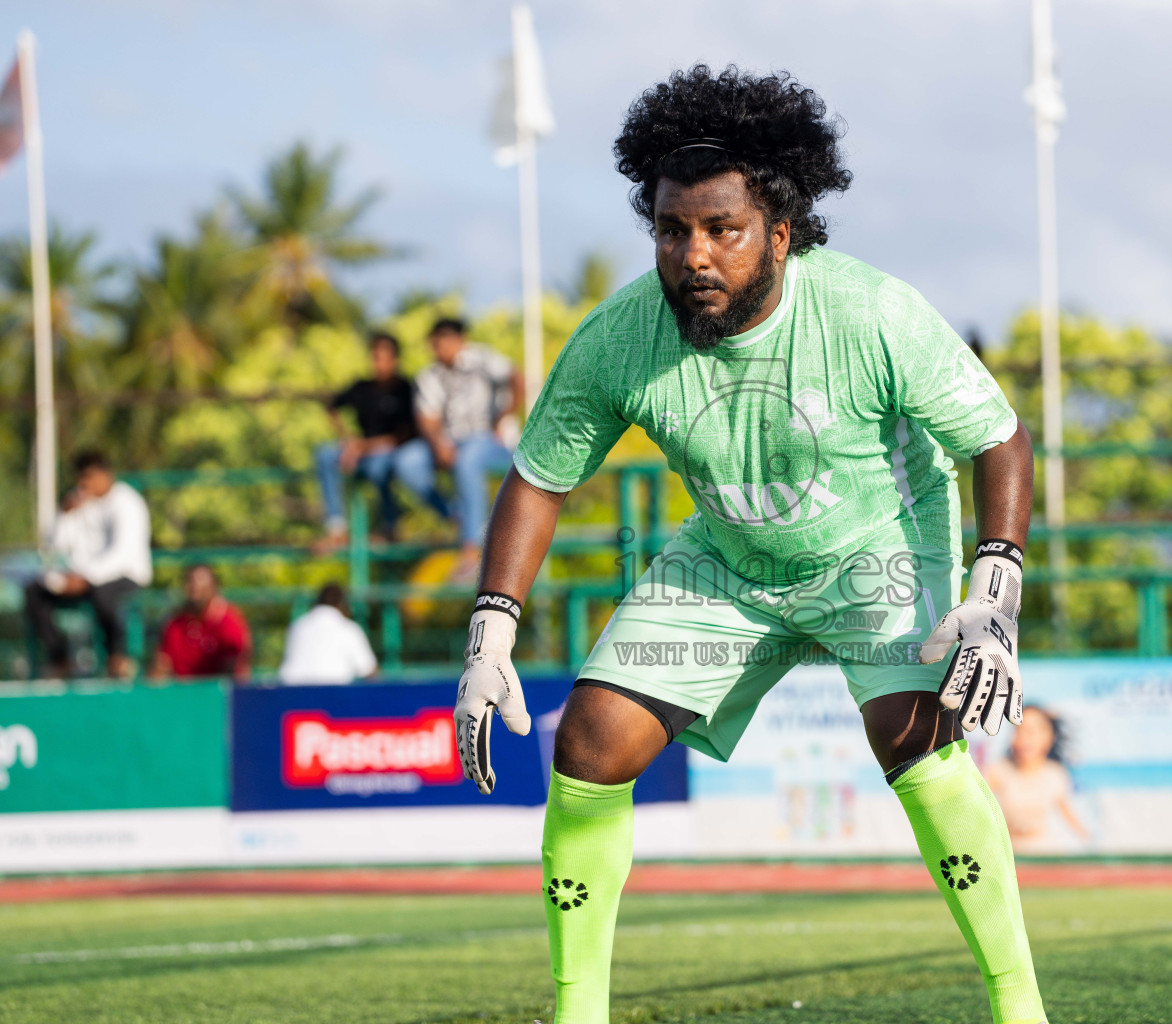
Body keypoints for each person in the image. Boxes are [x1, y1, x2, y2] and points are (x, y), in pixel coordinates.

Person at [451, 67, 1049, 1024]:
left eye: (720, 230)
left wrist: (994, 589)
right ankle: (577, 1014)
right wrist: (490, 636)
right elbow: (538, 478)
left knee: (911, 738)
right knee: (589, 746)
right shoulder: (618, 340)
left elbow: (999, 437)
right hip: (729, 559)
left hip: (877, 550)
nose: (694, 254)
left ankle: (1020, 1008)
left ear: (779, 232)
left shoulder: (871, 313)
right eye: (671, 229)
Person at [314, 331, 450, 551]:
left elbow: (405, 435)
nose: (379, 364)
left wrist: (363, 447)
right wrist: (347, 439)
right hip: (360, 452)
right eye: (375, 357)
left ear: (395, 359)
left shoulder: (407, 389)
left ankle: (390, 526)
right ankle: (336, 527)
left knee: (381, 467)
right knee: (324, 455)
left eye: (384, 358)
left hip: (391, 452)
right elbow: (332, 407)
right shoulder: (361, 387)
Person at [24, 450, 152, 679]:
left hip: (125, 575)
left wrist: (87, 577)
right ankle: (59, 659)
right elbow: (56, 546)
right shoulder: (79, 501)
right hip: (80, 578)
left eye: (89, 477)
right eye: (81, 477)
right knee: (35, 592)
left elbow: (123, 553)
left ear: (106, 474)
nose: (85, 483)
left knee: (102, 594)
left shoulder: (128, 502)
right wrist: (64, 515)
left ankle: (117, 658)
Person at [413, 317, 518, 578]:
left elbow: (519, 378)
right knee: (407, 461)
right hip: (450, 442)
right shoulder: (429, 376)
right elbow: (427, 417)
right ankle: (459, 517)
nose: (440, 346)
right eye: (436, 341)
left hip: (490, 441)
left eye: (446, 339)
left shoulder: (483, 360)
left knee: (467, 458)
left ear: (460, 340)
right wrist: (438, 444)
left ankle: (471, 550)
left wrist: (503, 417)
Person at [984, 705, 1091, 853]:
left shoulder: (1055, 774)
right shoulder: (999, 770)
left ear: (1048, 736)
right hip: (1007, 853)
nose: (1025, 738)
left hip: (1044, 854)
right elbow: (975, 807)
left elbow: (1070, 816)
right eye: (1019, 730)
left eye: (1032, 731)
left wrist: (1092, 846)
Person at [151, 564, 252, 681]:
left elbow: (236, 671)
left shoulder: (229, 623)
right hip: (181, 693)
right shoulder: (174, 624)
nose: (195, 588)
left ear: (214, 588)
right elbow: (162, 665)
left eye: (201, 587)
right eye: (191, 584)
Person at [276, 583, 378, 685]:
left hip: (292, 693)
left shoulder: (297, 626)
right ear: (342, 604)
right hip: (333, 694)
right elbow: (368, 670)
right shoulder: (348, 628)